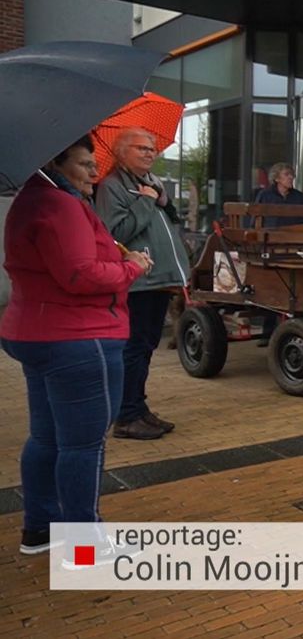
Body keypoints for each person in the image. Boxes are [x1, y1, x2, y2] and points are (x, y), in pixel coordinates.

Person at [2, 136, 151, 555]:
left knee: (46, 438)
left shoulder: (33, 200)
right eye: (85, 164)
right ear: (56, 162)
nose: (93, 173)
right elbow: (81, 276)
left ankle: (40, 529)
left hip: (38, 331)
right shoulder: (59, 205)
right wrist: (131, 267)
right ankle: (84, 545)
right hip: (77, 337)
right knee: (83, 445)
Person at [95, 128, 190, 440]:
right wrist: (147, 203)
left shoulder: (149, 183)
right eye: (142, 148)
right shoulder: (111, 186)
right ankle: (126, 415)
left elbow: (171, 220)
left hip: (157, 279)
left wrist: (161, 198)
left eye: (152, 148)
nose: (151, 153)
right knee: (135, 347)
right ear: (122, 152)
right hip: (139, 281)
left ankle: (138, 407)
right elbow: (114, 233)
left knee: (146, 346)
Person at [252, 162, 303, 228]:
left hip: (295, 236)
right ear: (276, 178)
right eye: (286, 174)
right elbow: (255, 220)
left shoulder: (300, 197)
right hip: (270, 235)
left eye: (292, 174)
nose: (291, 177)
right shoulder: (265, 195)